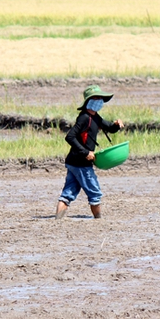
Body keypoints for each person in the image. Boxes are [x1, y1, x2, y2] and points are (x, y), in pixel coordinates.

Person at [55, 85, 124, 220]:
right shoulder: (84, 118)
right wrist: (86, 152)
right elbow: (70, 137)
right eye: (95, 98)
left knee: (68, 193)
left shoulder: (95, 117)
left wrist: (116, 125)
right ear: (88, 101)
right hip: (81, 163)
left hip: (73, 162)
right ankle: (98, 220)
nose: (99, 101)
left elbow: (108, 127)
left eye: (100, 98)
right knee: (95, 192)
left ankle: (57, 221)